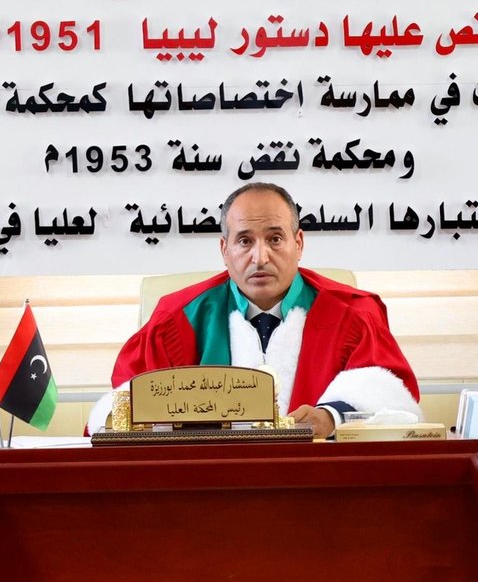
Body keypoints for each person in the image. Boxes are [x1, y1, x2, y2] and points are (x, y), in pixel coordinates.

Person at [96, 183, 419, 438]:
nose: (260, 258)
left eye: (275, 239)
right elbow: (122, 414)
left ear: (299, 244)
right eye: (244, 241)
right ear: (225, 249)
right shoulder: (177, 319)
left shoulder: (353, 315)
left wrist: (332, 416)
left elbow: (394, 406)